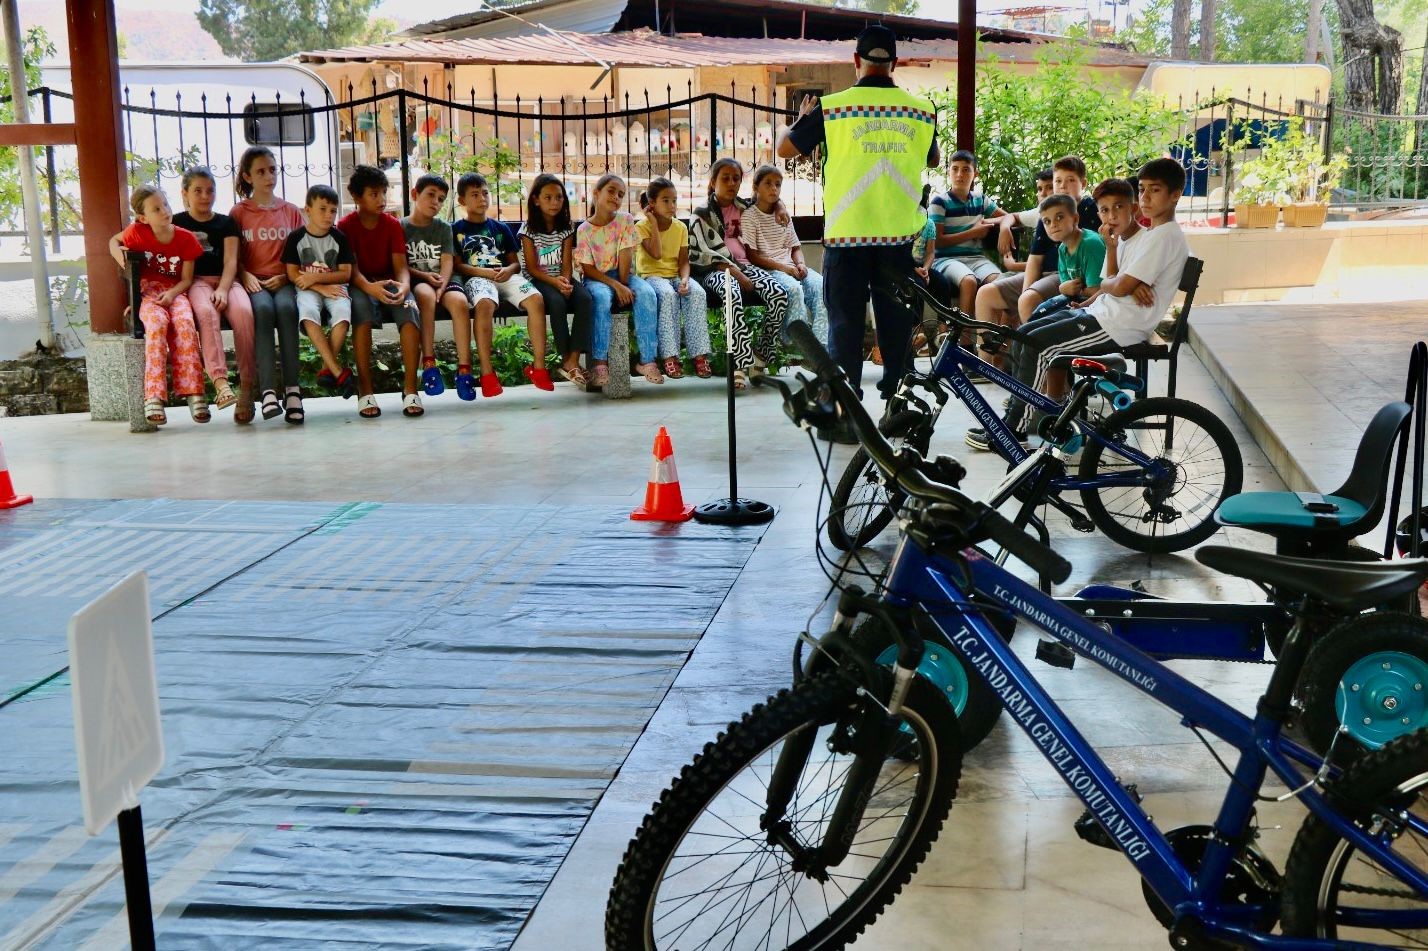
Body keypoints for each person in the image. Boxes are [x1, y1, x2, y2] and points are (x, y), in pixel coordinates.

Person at [777, 24, 939, 442]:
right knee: (897, 328)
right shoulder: (922, 110)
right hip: (898, 240)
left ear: (856, 61)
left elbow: (785, 149)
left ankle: (845, 415)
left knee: (845, 328)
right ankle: (899, 408)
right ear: (896, 63)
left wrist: (800, 121)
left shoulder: (834, 109)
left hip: (847, 240)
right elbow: (933, 158)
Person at [965, 159, 1189, 451]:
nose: (1145, 198)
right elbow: (1114, 282)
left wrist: (1121, 285)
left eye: (1154, 190)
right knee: (1026, 332)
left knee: (1039, 345)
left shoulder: (1165, 236)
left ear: (1176, 195)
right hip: (1104, 312)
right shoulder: (1147, 236)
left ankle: (1017, 430)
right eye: (1143, 190)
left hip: (1119, 325)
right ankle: (1022, 413)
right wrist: (1117, 277)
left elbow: (1115, 284)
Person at [109, 185, 207, 426]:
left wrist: (173, 294)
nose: (164, 211)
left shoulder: (185, 238)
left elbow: (186, 279)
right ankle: (153, 396)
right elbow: (114, 240)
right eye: (156, 208)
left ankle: (194, 394)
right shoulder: (138, 233)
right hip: (149, 295)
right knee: (156, 324)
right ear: (143, 218)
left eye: (165, 204)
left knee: (184, 323)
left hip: (176, 293)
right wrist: (120, 257)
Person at [688, 158, 789, 391]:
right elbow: (702, 254)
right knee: (731, 293)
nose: (732, 183)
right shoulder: (702, 214)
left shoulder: (745, 208)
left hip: (747, 267)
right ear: (713, 182)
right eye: (725, 178)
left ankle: (761, 355)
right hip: (717, 271)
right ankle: (739, 365)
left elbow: (769, 201)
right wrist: (734, 273)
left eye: (736, 178)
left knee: (778, 294)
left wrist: (781, 205)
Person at [452, 172, 554, 396]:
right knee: (485, 304)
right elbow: (457, 266)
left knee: (536, 299)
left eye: (486, 193)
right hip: (477, 278)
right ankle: (487, 373)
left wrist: (507, 270)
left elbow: (515, 264)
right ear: (462, 201)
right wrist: (483, 272)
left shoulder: (501, 228)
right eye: (475, 194)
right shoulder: (456, 229)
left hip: (505, 276)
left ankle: (539, 367)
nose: (482, 199)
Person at [979, 156, 1100, 340]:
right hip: (1047, 276)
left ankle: (1035, 361)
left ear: (1083, 183)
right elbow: (1035, 260)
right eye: (1058, 181)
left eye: (1070, 181)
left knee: (1028, 300)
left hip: (1071, 278)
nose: (1063, 186)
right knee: (985, 294)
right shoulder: (1049, 210)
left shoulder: (1093, 209)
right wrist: (1025, 291)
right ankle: (986, 366)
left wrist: (1026, 296)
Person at [337, 164, 423, 419]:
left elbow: (401, 267)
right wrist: (369, 288)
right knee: (361, 310)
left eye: (384, 192)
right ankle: (365, 390)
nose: (382, 200)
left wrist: (405, 287)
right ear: (356, 196)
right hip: (361, 284)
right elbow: (352, 271)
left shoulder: (392, 224)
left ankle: (410, 388)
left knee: (409, 309)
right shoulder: (346, 226)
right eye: (374, 194)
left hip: (390, 282)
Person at [230, 145, 305, 423]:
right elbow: (232, 254)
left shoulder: (291, 211)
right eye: (261, 171)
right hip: (254, 282)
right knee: (261, 312)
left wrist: (286, 277)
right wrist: (244, 274)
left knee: (286, 309)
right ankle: (268, 392)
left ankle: (293, 390)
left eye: (272, 170)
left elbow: (301, 253)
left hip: (284, 280)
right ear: (248, 177)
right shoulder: (239, 213)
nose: (268, 176)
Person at [174, 166, 254, 422]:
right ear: (185, 193)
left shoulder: (226, 223)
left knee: (243, 314)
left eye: (210, 190)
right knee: (207, 313)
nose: (205, 196)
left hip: (227, 281)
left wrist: (223, 288)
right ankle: (221, 384)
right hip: (195, 282)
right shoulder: (177, 222)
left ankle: (247, 388)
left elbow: (231, 261)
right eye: (197, 191)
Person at [576, 173, 661, 388]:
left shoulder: (625, 220)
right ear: (596, 194)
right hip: (597, 278)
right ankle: (600, 362)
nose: (616, 197)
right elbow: (587, 269)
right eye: (611, 191)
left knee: (647, 293)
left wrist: (623, 284)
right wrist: (616, 286)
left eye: (620, 194)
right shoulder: (584, 230)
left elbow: (626, 255)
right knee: (603, 298)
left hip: (623, 275)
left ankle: (647, 360)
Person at [283, 183, 356, 415]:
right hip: (309, 288)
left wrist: (318, 280)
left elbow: (346, 273)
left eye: (333, 210)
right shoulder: (296, 238)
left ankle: (328, 368)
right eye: (322, 209)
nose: (328, 215)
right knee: (308, 312)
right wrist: (317, 285)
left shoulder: (339, 238)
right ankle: (337, 370)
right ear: (307, 210)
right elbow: (293, 273)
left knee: (343, 313)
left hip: (335, 286)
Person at [402, 174, 475, 400]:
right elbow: (401, 265)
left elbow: (447, 261)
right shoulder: (401, 227)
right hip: (418, 280)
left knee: (460, 303)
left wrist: (443, 285)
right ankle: (430, 363)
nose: (436, 202)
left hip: (445, 279)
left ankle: (464, 369)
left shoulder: (443, 227)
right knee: (424, 296)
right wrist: (425, 277)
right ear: (415, 195)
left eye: (441, 198)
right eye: (431, 195)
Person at [742, 164, 828, 350]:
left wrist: (801, 264)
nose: (774, 188)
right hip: (770, 270)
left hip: (792, 266)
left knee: (821, 287)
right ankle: (798, 346)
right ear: (756, 187)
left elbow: (795, 246)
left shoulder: (782, 215)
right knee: (794, 289)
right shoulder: (749, 216)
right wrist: (785, 269)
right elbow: (753, 256)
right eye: (768, 184)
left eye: (778, 184)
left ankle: (821, 347)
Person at [521, 173, 593, 388]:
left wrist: (566, 281)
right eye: (548, 197)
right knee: (557, 302)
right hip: (539, 279)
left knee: (585, 299)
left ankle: (573, 359)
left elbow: (567, 262)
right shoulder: (527, 230)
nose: (554, 203)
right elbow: (532, 268)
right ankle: (565, 357)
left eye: (559, 197)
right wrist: (555, 284)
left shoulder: (566, 226)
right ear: (536, 200)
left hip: (562, 277)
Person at [636, 177, 712, 380]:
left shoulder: (680, 227)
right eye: (665, 201)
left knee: (697, 293)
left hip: (675, 276)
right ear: (651, 204)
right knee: (668, 296)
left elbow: (684, 261)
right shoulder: (642, 227)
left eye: (674, 201)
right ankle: (670, 356)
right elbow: (656, 254)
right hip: (651, 277)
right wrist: (652, 222)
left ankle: (699, 356)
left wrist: (685, 279)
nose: (672, 206)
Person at [928, 150, 1006, 317]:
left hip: (976, 259)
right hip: (946, 260)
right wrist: (973, 232)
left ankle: (993, 337)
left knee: (1001, 281)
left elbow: (1008, 218)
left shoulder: (981, 199)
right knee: (969, 281)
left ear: (975, 174)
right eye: (955, 169)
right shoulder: (939, 202)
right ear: (948, 172)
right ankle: (963, 339)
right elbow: (938, 242)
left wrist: (991, 224)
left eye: (966, 170)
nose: (959, 174)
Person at [998, 168, 1055, 274]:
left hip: (1052, 275)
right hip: (1034, 272)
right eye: (1039, 189)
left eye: (1050, 188)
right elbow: (1012, 216)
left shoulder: (1065, 218)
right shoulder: (1039, 212)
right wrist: (1004, 228)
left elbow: (1052, 263)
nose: (1042, 193)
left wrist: (1014, 266)